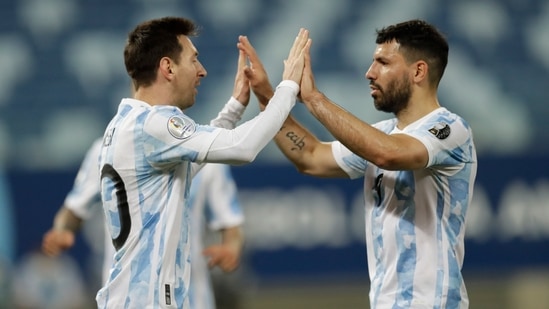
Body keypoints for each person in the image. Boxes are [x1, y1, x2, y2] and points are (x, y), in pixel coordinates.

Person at [245, 19, 478, 308]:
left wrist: (314, 99)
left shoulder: (450, 129)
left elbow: (388, 155)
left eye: (383, 62)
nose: (370, 73)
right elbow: (311, 157)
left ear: (418, 71)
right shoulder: (383, 133)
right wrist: (268, 96)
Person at [96, 16, 310, 308]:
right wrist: (288, 87)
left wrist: (234, 109)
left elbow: (191, 163)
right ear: (168, 67)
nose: (202, 71)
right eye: (194, 60)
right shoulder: (154, 124)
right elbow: (243, 148)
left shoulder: (127, 125)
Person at [42, 138, 245, 309]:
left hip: (191, 298)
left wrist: (231, 246)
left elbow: (230, 223)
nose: (196, 87)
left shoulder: (204, 152)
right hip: (125, 299)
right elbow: (73, 209)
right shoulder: (106, 149)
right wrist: (62, 230)